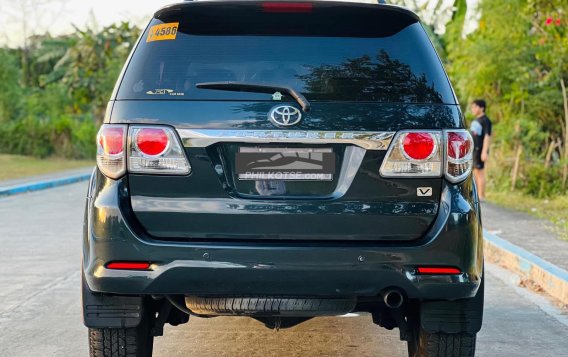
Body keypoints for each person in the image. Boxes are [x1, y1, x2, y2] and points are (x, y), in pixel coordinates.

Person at [469, 99, 492, 200]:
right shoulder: (475, 121)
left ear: (481, 108)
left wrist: (484, 152)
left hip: (480, 150)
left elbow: (487, 136)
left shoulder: (486, 120)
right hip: (473, 150)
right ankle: (475, 195)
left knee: (480, 172)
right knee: (473, 171)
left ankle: (481, 196)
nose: (472, 109)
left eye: (475, 107)